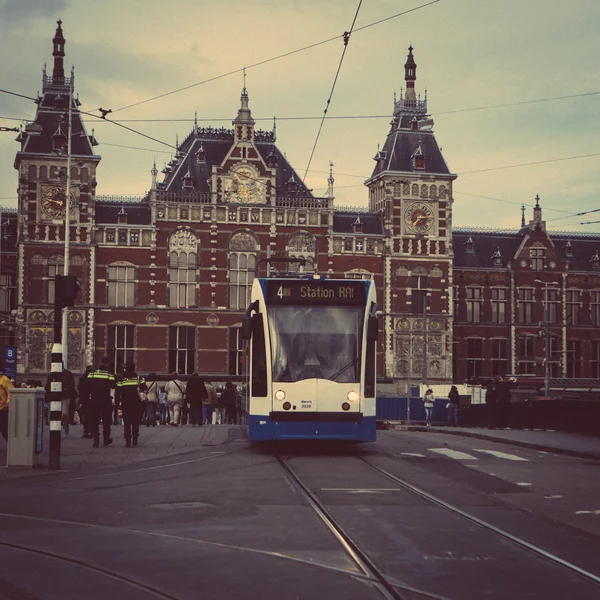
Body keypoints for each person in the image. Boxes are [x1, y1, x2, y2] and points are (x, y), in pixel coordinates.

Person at [87, 357, 116, 447]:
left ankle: (96, 440)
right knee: (106, 421)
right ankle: (106, 439)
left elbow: (87, 384)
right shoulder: (109, 374)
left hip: (95, 399)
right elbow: (113, 385)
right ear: (107, 364)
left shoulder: (92, 373)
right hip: (105, 399)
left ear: (100, 362)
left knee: (94, 420)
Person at [116, 362, 146, 448]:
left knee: (127, 423)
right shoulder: (138, 378)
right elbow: (144, 388)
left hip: (126, 403)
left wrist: (117, 403)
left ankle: (128, 440)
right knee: (135, 422)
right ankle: (135, 439)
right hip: (136, 404)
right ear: (133, 368)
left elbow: (118, 391)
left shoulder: (122, 378)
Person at [78, 366, 94, 438]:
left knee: (86, 415)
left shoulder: (82, 379)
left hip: (85, 399)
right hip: (91, 399)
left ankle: (86, 431)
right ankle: (90, 431)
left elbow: (79, 389)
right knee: (91, 415)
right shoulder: (93, 379)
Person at [0, 369, 15, 442]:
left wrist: (8, 403)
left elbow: (11, 392)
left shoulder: (4, 379)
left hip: (2, 409)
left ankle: (12, 445)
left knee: (4, 429)